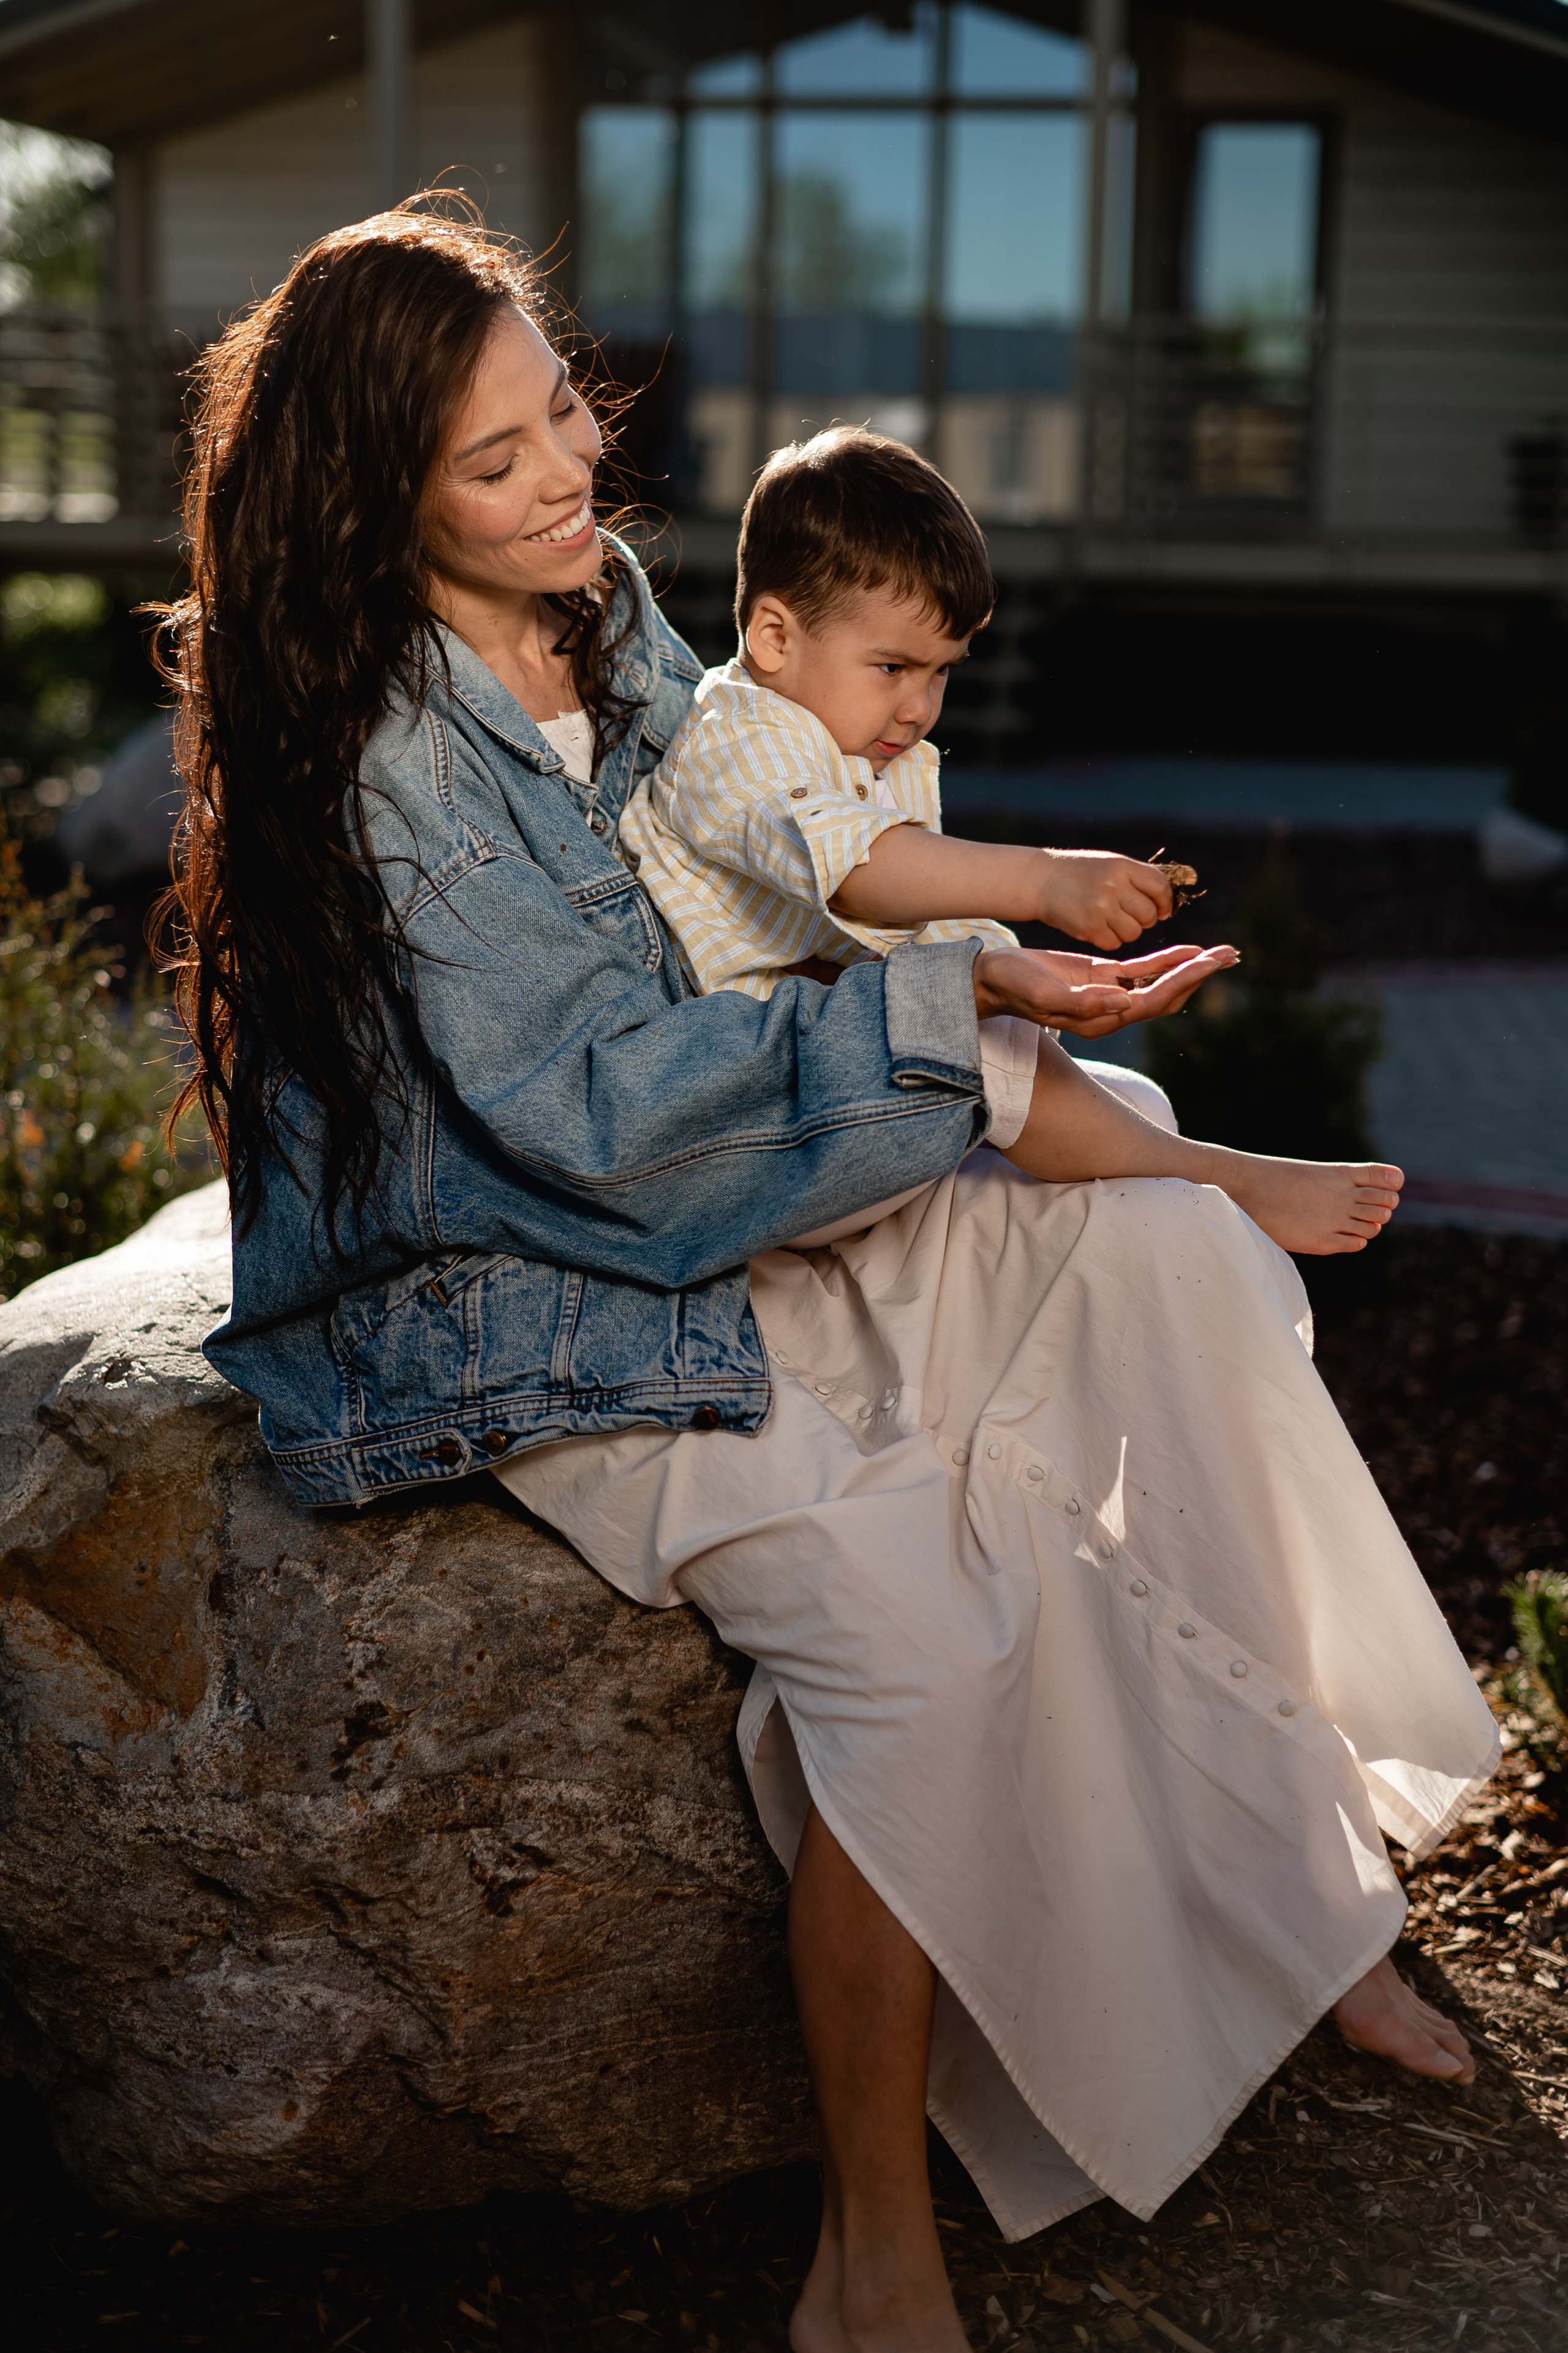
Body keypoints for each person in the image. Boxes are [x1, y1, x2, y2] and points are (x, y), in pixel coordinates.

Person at [164, 208, 1498, 2353]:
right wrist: (952, 1011)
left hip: (736, 1185)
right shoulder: (381, 760)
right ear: (369, 494)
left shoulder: (594, 602)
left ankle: (1303, 1887)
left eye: (560, 411)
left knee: (1163, 1230)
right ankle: (875, 2246)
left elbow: (772, 845)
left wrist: (1000, 957)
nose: (569, 475)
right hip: (532, 1289)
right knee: (924, 1634)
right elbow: (587, 1118)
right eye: (496, 461)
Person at [619, 425, 1406, 1259]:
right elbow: (860, 871)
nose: (919, 707)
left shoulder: (859, 747)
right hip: (732, 1116)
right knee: (981, 1043)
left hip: (816, 1073)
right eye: (893, 667)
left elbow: (913, 933)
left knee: (1130, 1101)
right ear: (775, 637)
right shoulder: (738, 741)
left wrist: (1039, 974)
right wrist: (1044, 882)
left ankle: (1164, 1193)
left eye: (942, 671)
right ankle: (1227, 1178)